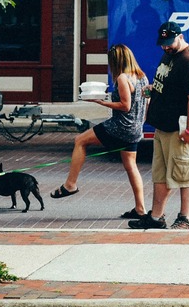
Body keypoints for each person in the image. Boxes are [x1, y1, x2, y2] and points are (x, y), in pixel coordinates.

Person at [129, 22, 189, 229]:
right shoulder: (169, 55)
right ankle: (156, 217)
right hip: (163, 125)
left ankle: (185, 218)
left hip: (180, 129)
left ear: (180, 37)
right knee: (161, 174)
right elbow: (166, 84)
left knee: (185, 173)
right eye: (162, 44)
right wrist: (152, 90)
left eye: (169, 43)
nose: (165, 47)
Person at [53, 44, 148, 218]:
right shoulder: (142, 77)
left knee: (80, 141)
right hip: (135, 129)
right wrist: (141, 120)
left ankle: (70, 184)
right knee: (131, 166)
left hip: (120, 127)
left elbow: (125, 106)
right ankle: (140, 209)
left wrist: (102, 102)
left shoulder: (122, 78)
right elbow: (146, 103)